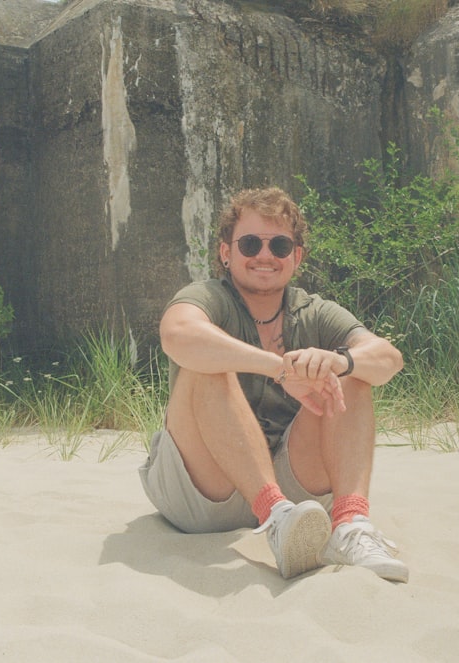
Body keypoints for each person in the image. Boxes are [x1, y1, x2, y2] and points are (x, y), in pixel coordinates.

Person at [139, 186, 408, 583]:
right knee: (205, 363)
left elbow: (388, 359)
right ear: (226, 253)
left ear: (296, 257)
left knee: (353, 375)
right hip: (204, 491)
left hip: (294, 493)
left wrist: (340, 361)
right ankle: (274, 514)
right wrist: (279, 368)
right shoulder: (207, 297)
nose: (265, 255)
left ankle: (349, 524)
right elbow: (177, 335)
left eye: (279, 245)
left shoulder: (314, 311)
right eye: (250, 244)